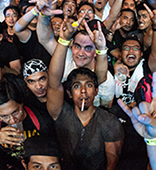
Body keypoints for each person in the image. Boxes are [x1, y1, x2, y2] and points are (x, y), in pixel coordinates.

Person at [46, 14, 124, 170]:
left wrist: (102, 49)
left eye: (88, 86)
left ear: (96, 91)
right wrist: (64, 40)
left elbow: (112, 160)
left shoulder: (109, 121)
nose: (83, 91)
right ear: (68, 92)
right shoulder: (61, 114)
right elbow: (54, 84)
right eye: (76, 86)